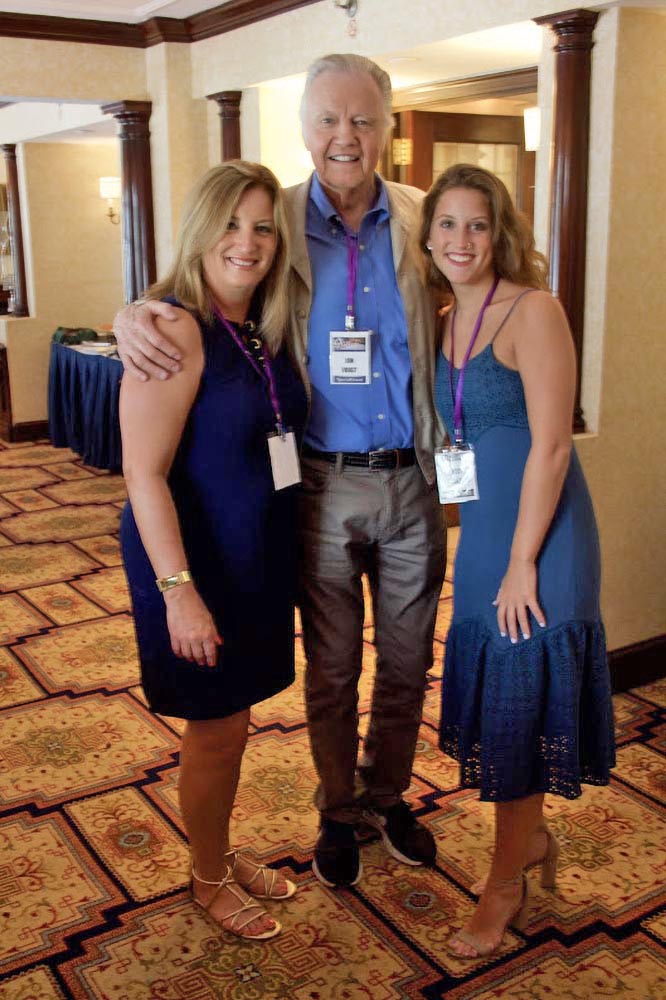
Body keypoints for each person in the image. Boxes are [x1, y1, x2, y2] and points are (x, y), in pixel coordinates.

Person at [114, 53, 446, 890]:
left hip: (407, 479)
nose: (345, 136)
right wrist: (132, 312)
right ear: (303, 128)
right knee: (331, 668)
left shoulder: (423, 217)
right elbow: (198, 282)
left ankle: (386, 795)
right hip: (320, 484)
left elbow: (490, 283)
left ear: (389, 126)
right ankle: (336, 809)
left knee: (408, 663)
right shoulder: (281, 220)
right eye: (327, 119)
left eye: (363, 119)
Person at [418, 163, 615, 958]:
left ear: (500, 233)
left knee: (518, 706)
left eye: (477, 224)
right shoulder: (443, 318)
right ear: (428, 237)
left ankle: (503, 884)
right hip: (485, 538)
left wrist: (522, 561)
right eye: (447, 224)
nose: (461, 240)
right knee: (504, 704)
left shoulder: (533, 310)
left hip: (543, 541)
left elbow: (554, 446)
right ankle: (527, 842)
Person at [120, 161, 307, 941]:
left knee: (234, 724)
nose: (247, 242)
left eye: (263, 227)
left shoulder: (258, 326)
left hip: (253, 557)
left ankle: (220, 853)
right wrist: (179, 591)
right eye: (231, 224)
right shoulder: (172, 326)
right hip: (194, 563)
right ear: (200, 229)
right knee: (215, 727)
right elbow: (143, 473)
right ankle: (207, 878)